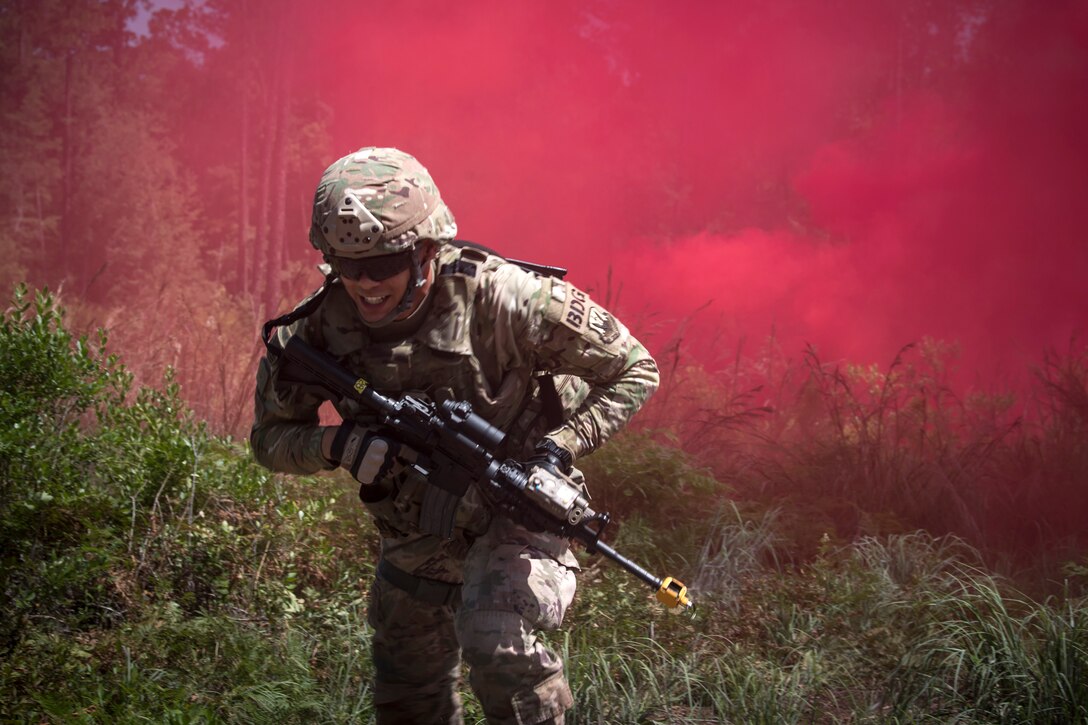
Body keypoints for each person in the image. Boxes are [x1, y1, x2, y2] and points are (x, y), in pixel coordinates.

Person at [251, 147, 659, 724]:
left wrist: (559, 448)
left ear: (425, 249)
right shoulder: (317, 332)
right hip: (418, 523)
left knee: (497, 644)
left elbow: (636, 369)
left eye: (385, 261)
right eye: (348, 264)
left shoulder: (508, 300)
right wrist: (335, 446)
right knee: (407, 682)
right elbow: (269, 439)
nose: (366, 282)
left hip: (518, 502)